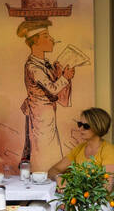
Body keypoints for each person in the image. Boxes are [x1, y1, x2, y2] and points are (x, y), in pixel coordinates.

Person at [18, 19, 74, 172]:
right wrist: (65, 78)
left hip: (46, 113)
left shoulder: (44, 63)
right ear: (35, 41)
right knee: (43, 150)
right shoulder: (33, 66)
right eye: (46, 36)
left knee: (50, 149)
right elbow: (52, 89)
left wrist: (59, 74)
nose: (52, 40)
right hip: (40, 114)